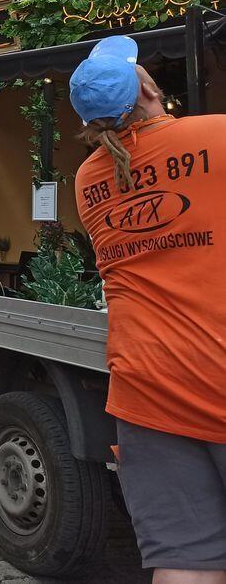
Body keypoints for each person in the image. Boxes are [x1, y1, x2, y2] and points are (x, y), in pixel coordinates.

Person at [70, 35, 226, 584]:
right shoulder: (216, 137)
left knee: (184, 562)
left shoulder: (87, 180)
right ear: (150, 89)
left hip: (146, 385)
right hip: (219, 369)